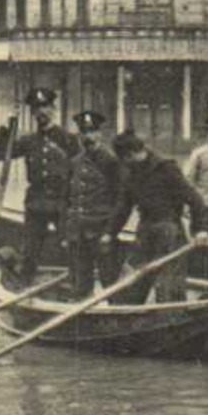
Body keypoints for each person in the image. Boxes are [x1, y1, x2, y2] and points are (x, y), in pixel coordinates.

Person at [0, 87, 78, 286]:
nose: (41, 112)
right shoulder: (29, 141)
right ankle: (24, 292)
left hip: (62, 202)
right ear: (32, 113)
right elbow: (1, 154)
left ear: (53, 109)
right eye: (36, 109)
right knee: (30, 252)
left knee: (71, 248)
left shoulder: (68, 139)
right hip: (36, 203)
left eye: (45, 107)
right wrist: (8, 128)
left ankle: (78, 289)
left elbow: (81, 168)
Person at [111, 131, 205, 304]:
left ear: (129, 155)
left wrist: (199, 230)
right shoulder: (131, 172)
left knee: (168, 289)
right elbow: (123, 207)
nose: (123, 164)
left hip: (169, 232)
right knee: (129, 285)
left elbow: (195, 200)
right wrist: (109, 233)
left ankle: (172, 318)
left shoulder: (166, 169)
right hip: (145, 232)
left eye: (124, 159)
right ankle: (126, 316)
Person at [61, 110, 123, 298]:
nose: (88, 137)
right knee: (79, 282)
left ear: (100, 134)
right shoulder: (74, 162)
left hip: (101, 232)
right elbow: (66, 199)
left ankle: (115, 317)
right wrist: (66, 231)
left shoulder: (111, 161)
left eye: (92, 132)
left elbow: (120, 200)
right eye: (84, 132)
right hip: (78, 232)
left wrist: (110, 232)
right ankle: (83, 319)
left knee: (109, 282)